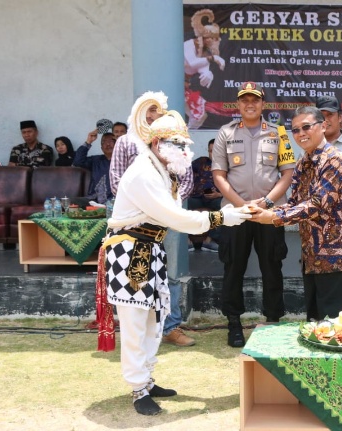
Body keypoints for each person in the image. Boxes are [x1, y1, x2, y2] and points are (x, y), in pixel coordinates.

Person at [98, 109, 250, 415]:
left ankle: (148, 379)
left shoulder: (161, 171)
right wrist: (224, 217)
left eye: (185, 144)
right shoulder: (143, 172)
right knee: (135, 324)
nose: (185, 151)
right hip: (130, 252)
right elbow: (176, 218)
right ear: (157, 145)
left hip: (148, 249)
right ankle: (138, 388)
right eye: (177, 144)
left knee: (155, 319)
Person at [250, 106, 342, 321]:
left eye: (306, 127)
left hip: (337, 255)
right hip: (313, 255)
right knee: (316, 322)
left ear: (322, 126)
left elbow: (317, 205)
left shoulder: (334, 160)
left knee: (337, 326)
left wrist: (273, 218)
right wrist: (265, 209)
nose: (301, 134)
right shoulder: (303, 162)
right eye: (295, 130)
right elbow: (295, 203)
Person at [109, 91, 197, 348]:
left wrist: (167, 208)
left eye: (157, 112)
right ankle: (138, 332)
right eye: (148, 111)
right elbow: (117, 182)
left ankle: (170, 327)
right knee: (134, 277)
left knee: (169, 273)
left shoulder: (172, 140)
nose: (152, 116)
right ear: (138, 112)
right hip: (135, 225)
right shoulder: (126, 142)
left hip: (169, 219)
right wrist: (149, 208)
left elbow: (186, 180)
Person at [212, 81, 296, 347]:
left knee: (272, 266)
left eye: (255, 100)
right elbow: (219, 175)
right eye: (244, 99)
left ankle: (272, 322)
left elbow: (288, 173)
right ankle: (234, 324)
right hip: (235, 215)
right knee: (233, 267)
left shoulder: (278, 133)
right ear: (238, 104)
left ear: (262, 104)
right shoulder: (225, 133)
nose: (250, 104)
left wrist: (268, 203)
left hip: (269, 214)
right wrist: (240, 205)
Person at [188, 138, 223, 251]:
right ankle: (186, 240)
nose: (213, 154)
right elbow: (184, 172)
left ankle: (210, 240)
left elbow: (235, 186)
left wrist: (219, 194)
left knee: (225, 207)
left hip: (217, 197)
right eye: (211, 151)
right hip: (196, 196)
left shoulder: (228, 166)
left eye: (216, 151)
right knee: (181, 205)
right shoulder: (201, 162)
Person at [73, 131, 116, 204]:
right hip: (93, 200)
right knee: (73, 201)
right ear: (101, 148)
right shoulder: (95, 160)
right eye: (104, 142)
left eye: (111, 141)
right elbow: (78, 162)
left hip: (115, 200)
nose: (108, 144)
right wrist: (88, 142)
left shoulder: (123, 161)